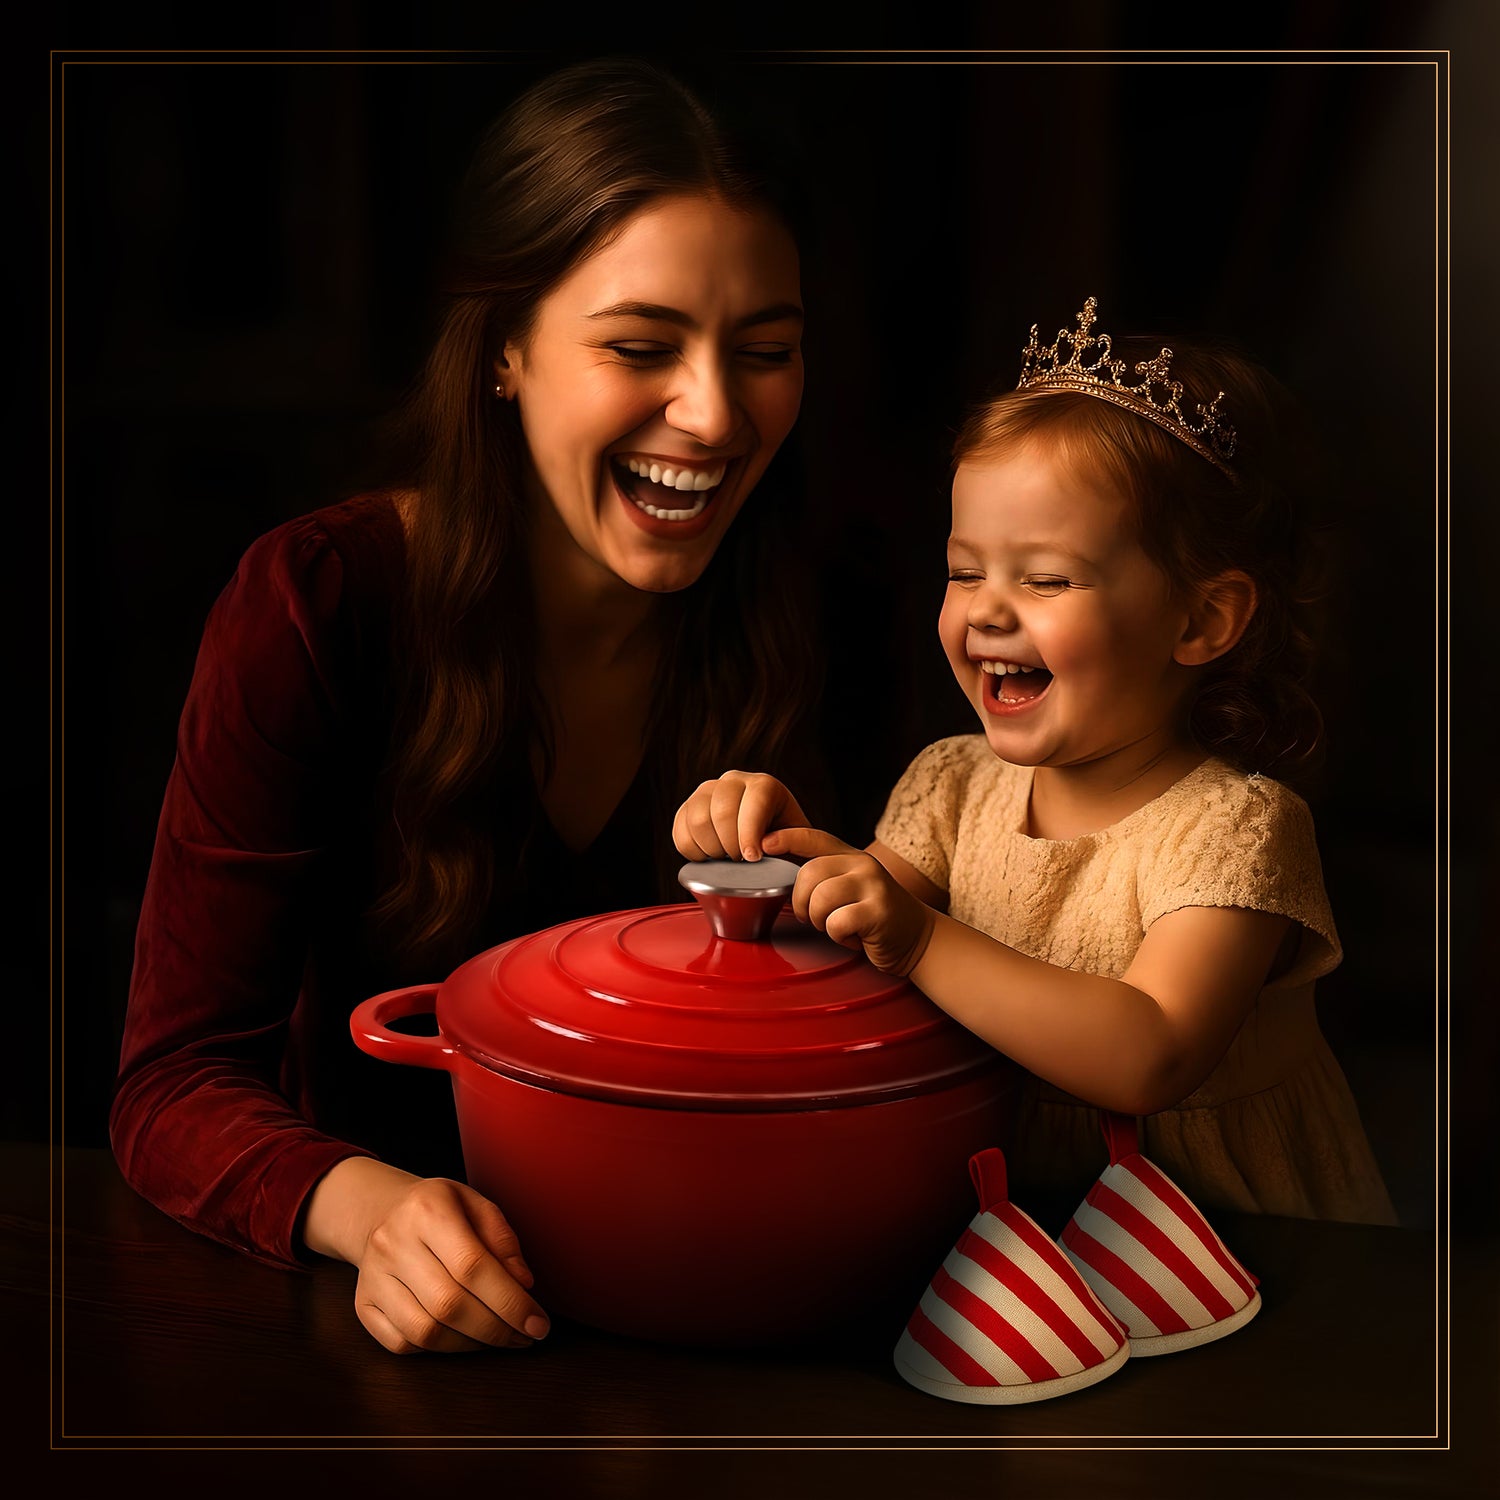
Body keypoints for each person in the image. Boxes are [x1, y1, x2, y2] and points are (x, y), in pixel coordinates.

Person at [110, 55, 825, 1356]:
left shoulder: (834, 605)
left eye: (766, 351)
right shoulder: (317, 602)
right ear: (504, 349)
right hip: (371, 1345)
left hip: (719, 1329)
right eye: (639, 347)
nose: (715, 413)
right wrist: (367, 1210)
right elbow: (172, 1082)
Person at [675, 296, 1397, 1227]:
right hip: (1016, 1226)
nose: (987, 610)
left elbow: (1152, 1053)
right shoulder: (951, 784)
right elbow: (857, 948)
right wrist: (780, 857)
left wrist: (923, 939)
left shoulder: (1237, 830)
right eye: (965, 571)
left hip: (1216, 1243)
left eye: (1047, 578)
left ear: (1201, 620)